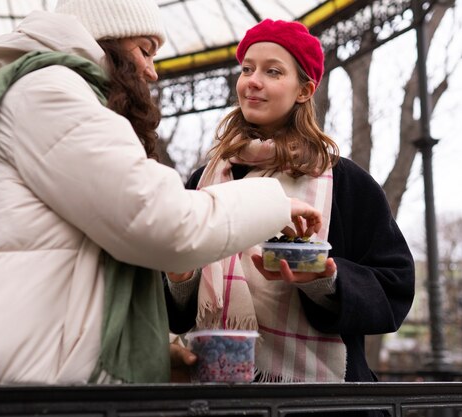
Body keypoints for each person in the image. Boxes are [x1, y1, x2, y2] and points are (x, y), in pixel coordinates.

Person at [0, 3, 325, 386]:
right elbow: (165, 223)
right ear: (108, 41)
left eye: (273, 71)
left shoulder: (39, 88)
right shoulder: (52, 92)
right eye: (145, 50)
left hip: (18, 372)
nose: (152, 71)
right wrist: (273, 202)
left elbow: (61, 265)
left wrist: (149, 352)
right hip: (14, 383)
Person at [165, 19, 415, 388]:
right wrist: (180, 278)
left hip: (319, 403)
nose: (252, 80)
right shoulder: (202, 180)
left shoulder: (345, 182)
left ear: (304, 90)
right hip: (216, 390)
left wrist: (324, 278)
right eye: (247, 69)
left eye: (272, 71)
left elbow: (395, 286)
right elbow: (176, 307)